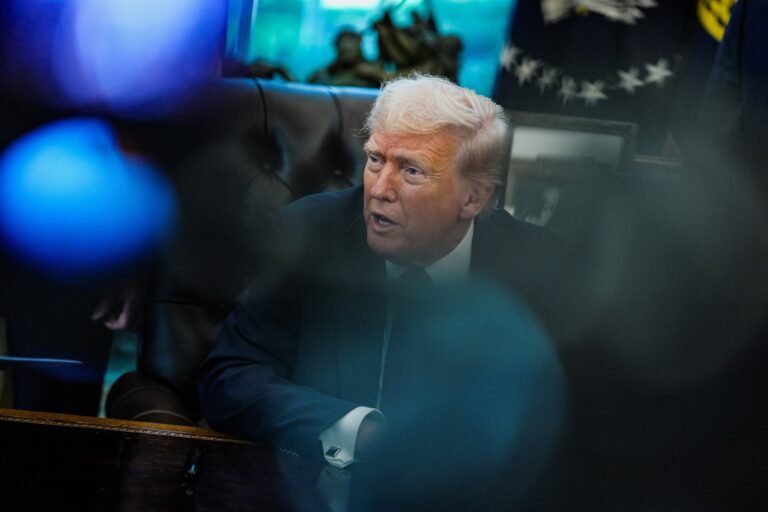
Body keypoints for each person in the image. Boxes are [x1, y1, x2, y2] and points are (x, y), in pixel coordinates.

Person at [198, 75, 567, 506]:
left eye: (411, 170)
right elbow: (230, 378)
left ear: (473, 199)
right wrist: (360, 431)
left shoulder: (542, 269)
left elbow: (570, 424)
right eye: (375, 159)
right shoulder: (305, 237)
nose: (379, 189)